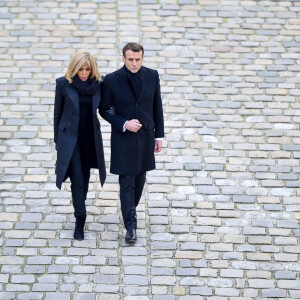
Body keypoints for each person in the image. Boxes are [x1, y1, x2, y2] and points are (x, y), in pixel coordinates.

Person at [100, 42, 164, 243]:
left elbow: (157, 106)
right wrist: (124, 123)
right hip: (123, 139)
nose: (134, 63)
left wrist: (158, 136)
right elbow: (105, 109)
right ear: (123, 59)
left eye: (137, 59)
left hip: (145, 137)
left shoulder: (152, 75)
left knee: (140, 179)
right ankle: (131, 226)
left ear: (142, 58)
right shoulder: (111, 80)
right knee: (126, 181)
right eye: (130, 59)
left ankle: (130, 210)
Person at [54, 51, 106, 241]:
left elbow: (106, 108)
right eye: (80, 69)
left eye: (87, 69)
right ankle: (80, 219)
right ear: (74, 68)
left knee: (84, 178)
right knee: (76, 177)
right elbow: (57, 115)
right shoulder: (63, 84)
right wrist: (58, 144)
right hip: (70, 140)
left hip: (90, 139)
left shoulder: (99, 85)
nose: (83, 73)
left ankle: (79, 206)